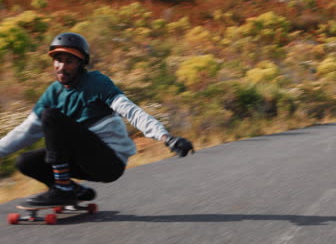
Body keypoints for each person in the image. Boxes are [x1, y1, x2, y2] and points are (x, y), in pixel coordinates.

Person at [0, 32, 194, 206]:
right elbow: (24, 132)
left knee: (50, 116)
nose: (61, 66)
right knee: (25, 161)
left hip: (108, 162)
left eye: (69, 61)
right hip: (81, 161)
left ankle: (63, 189)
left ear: (81, 63)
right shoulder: (53, 93)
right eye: (58, 60)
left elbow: (131, 112)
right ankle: (73, 189)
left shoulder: (96, 83)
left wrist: (166, 137)